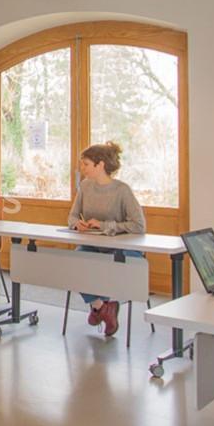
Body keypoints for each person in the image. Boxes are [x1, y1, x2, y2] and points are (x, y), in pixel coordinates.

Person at [67, 142, 146, 337]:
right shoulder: (85, 187)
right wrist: (77, 224)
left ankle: (100, 308)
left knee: (105, 266)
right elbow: (72, 216)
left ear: (100, 165)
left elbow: (139, 225)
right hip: (95, 246)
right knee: (74, 261)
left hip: (121, 249)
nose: (81, 168)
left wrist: (104, 226)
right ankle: (101, 306)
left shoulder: (122, 190)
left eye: (85, 164)